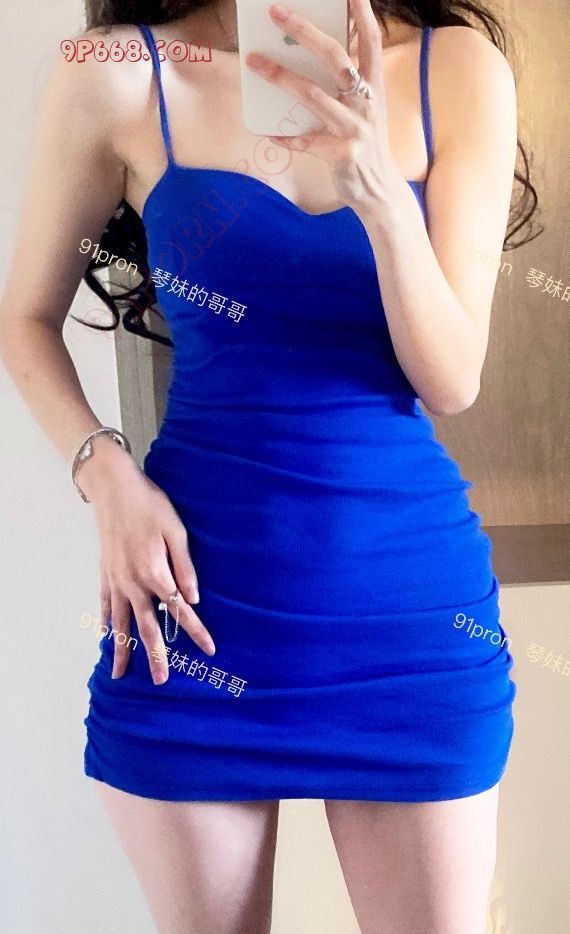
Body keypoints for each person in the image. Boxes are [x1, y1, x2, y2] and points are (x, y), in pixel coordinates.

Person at [0, 0, 538, 930]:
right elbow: (24, 319)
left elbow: (451, 379)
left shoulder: (456, 70)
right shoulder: (117, 72)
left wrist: (381, 195)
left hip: (404, 618)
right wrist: (105, 475)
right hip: (193, 610)